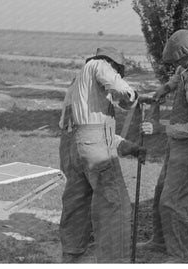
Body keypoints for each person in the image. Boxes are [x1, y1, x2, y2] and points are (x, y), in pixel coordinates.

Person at [58, 46, 145, 263]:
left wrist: (131, 148)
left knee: (77, 201)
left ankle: (72, 254)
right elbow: (122, 92)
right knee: (115, 204)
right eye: (116, 71)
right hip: (90, 146)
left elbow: (93, 137)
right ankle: (115, 261)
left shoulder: (78, 87)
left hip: (71, 148)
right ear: (113, 65)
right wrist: (133, 96)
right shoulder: (98, 65)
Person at [139, 29, 188, 262]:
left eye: (178, 61)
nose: (177, 65)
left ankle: (182, 255)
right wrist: (164, 89)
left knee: (172, 201)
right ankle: (160, 241)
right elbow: (178, 77)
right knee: (160, 193)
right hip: (179, 143)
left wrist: (162, 128)